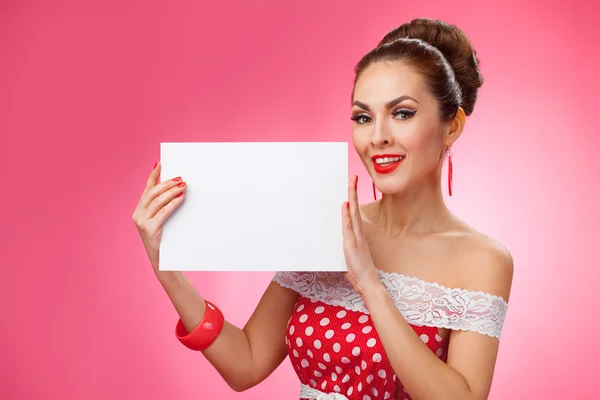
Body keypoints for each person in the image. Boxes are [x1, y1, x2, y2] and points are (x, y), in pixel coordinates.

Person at [132, 17, 513, 400]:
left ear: (452, 126)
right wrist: (168, 268)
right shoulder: (327, 225)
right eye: (363, 117)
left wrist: (371, 287)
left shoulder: (482, 259)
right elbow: (245, 363)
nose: (378, 136)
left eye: (402, 113)